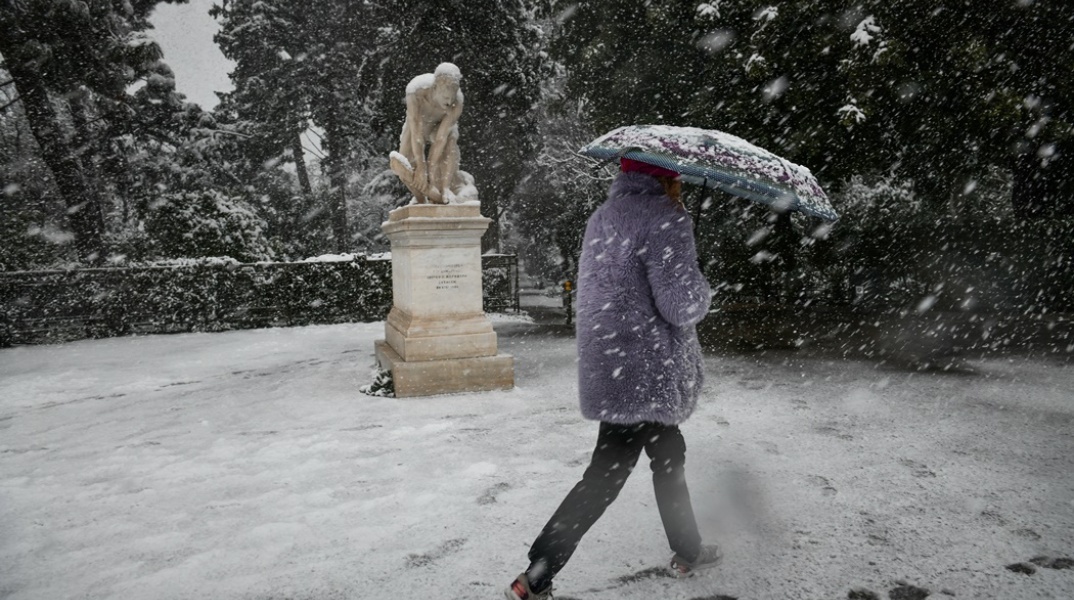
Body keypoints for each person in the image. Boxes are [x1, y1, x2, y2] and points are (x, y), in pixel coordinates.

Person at [505, 157, 719, 600]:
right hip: (648, 371)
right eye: (675, 176)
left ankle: (689, 549)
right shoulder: (666, 218)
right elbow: (682, 306)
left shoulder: (603, 217)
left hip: (615, 365)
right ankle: (536, 575)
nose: (678, 182)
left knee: (667, 456)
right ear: (665, 177)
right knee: (607, 475)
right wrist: (700, 285)